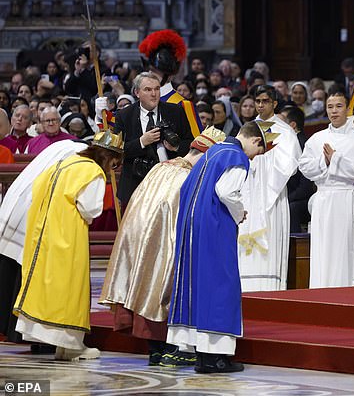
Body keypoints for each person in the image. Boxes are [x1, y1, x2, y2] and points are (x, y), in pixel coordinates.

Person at [100, 127, 226, 366]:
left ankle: (156, 351)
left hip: (138, 237)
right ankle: (170, 349)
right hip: (164, 241)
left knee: (144, 280)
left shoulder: (161, 167)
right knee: (162, 282)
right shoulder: (191, 177)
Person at [167, 121, 269, 373]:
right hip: (215, 225)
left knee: (198, 283)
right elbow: (225, 191)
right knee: (220, 283)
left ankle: (202, 355)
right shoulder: (236, 157)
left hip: (192, 224)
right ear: (256, 141)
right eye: (259, 152)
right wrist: (239, 212)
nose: (254, 158)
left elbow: (186, 186)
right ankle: (216, 357)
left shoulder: (212, 151)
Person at [13, 130, 124, 361]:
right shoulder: (92, 171)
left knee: (51, 284)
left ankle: (64, 345)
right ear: (109, 157)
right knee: (71, 286)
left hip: (44, 232)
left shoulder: (66, 162)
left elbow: (37, 189)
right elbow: (90, 208)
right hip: (69, 233)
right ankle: (73, 346)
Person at [0, 140, 87, 345]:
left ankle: (10, 329)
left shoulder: (62, 148)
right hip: (36, 215)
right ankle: (22, 332)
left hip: (17, 205)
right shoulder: (78, 157)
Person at [299, 91, 354, 288]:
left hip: (348, 198)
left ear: (347, 108)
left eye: (339, 106)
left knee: (346, 249)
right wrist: (324, 161)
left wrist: (336, 159)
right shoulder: (317, 138)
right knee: (324, 250)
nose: (334, 111)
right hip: (324, 199)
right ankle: (321, 289)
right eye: (330, 107)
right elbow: (305, 167)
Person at [237, 85, 301, 291]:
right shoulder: (247, 129)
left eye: (265, 101)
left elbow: (290, 164)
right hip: (248, 190)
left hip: (271, 191)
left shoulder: (284, 130)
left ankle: (269, 287)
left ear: (274, 103)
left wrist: (265, 167)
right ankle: (244, 286)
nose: (260, 105)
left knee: (270, 236)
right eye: (257, 101)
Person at [113, 72, 195, 205]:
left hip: (170, 184)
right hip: (135, 185)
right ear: (137, 92)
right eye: (148, 89)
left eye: (157, 89)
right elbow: (118, 150)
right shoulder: (124, 115)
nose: (154, 94)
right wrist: (142, 142)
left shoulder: (176, 111)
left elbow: (190, 144)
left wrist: (176, 147)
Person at [137, 29, 202, 137]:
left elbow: (197, 144)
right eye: (149, 70)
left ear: (170, 76)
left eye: (155, 72)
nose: (150, 75)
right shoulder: (140, 100)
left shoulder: (183, 105)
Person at [279, 105, 315, 233]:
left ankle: (293, 250)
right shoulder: (285, 144)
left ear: (292, 125)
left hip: (300, 199)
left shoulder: (304, 146)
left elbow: (305, 187)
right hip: (288, 195)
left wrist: (284, 198)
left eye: (280, 122)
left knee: (290, 208)